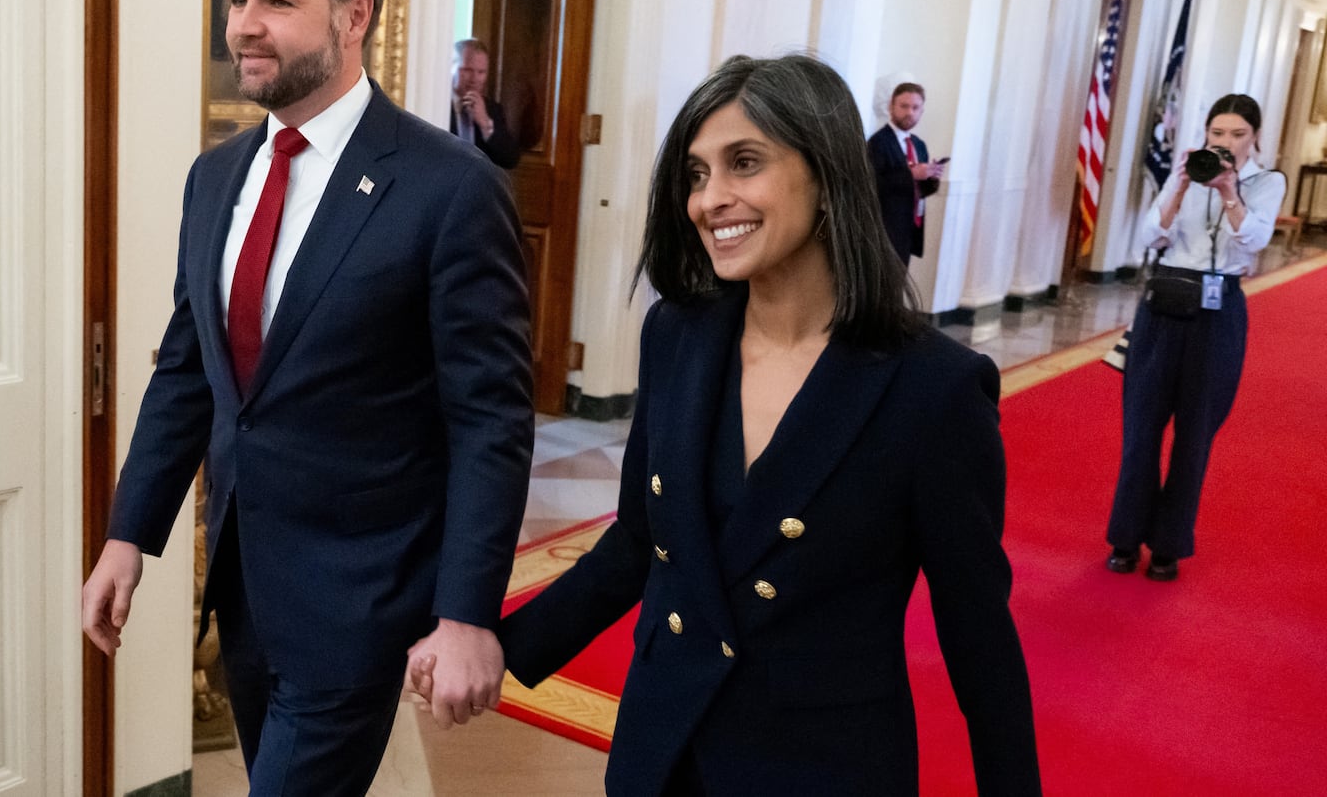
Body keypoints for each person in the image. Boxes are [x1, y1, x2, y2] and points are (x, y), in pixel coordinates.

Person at [410, 53, 1041, 795]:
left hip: (819, 765)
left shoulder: (933, 388)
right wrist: (496, 644)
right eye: (696, 174)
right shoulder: (677, 336)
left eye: (744, 163)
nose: (711, 199)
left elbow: (976, 630)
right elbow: (643, 540)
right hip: (663, 747)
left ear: (828, 174)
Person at [80, 0, 535, 794]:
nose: (244, 24)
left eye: (277, 1)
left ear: (354, 14)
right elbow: (187, 374)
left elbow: (490, 420)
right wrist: (129, 534)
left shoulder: (449, 191)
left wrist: (467, 613)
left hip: (365, 597)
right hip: (249, 593)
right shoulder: (215, 179)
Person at [1106, 94, 1284, 582]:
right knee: (1141, 428)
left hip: (1218, 309)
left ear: (1255, 139)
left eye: (1237, 135)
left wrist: (1229, 191)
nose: (1225, 144)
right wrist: (1182, 187)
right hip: (1163, 304)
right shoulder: (1185, 170)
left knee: (1194, 436)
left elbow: (1255, 240)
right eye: (1217, 134)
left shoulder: (1267, 182)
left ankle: (1167, 545)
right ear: (1206, 133)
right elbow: (1150, 236)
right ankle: (1125, 536)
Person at [866, 82, 946, 266]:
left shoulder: (919, 145)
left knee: (897, 289)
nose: (910, 112)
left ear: (921, 111)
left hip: (909, 230)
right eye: (904, 106)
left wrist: (931, 178)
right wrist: (911, 175)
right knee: (882, 290)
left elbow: (918, 190)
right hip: (884, 232)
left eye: (915, 107)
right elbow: (871, 184)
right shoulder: (878, 142)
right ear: (891, 107)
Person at [449, 38, 521, 169]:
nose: (474, 79)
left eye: (481, 72)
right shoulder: (438, 105)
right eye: (467, 70)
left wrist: (486, 124)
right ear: (451, 68)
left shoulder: (493, 109)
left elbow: (511, 159)